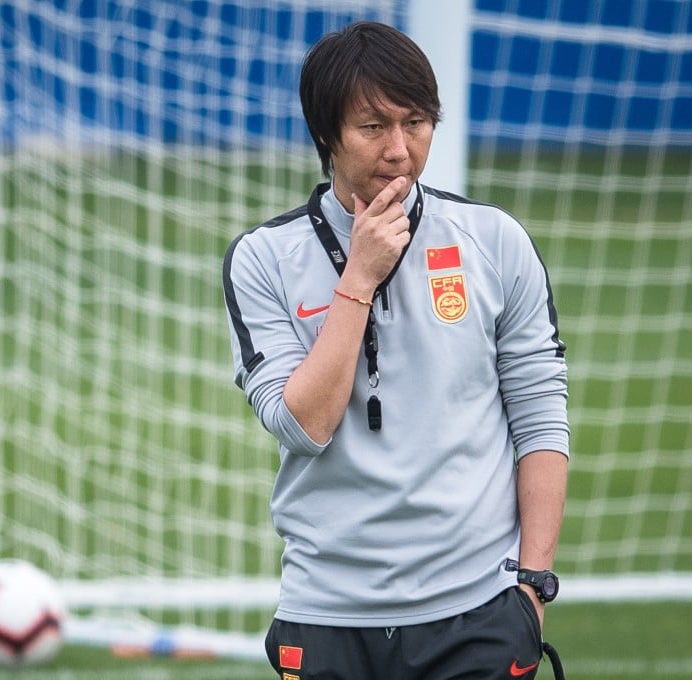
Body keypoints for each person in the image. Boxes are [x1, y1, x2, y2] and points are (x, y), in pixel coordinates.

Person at [222, 21, 569, 679]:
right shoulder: (264, 259)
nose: (401, 149)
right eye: (373, 127)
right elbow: (305, 425)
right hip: (327, 611)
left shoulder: (493, 241)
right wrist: (358, 277)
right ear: (327, 135)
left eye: (416, 122)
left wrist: (534, 583)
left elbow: (541, 414)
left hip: (480, 611)